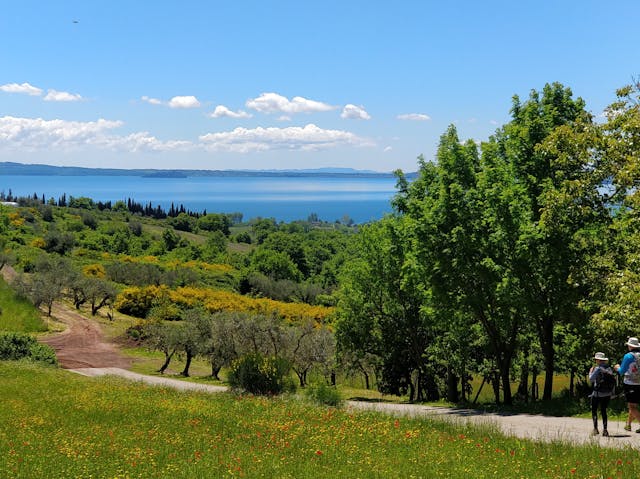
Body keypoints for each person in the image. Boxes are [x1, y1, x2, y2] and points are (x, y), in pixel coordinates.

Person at [614, 337, 640, 433]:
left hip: (630, 383)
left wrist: (617, 368)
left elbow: (621, 371)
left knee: (632, 407)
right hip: (639, 382)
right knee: (632, 405)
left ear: (630, 346)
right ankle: (628, 425)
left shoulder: (628, 356)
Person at [589, 352, 615, 436]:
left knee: (594, 410)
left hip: (597, 393)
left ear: (598, 360)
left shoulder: (597, 368)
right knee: (604, 411)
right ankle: (605, 430)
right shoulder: (609, 369)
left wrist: (590, 372)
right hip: (607, 393)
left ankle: (595, 429)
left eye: (596, 359)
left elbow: (591, 379)